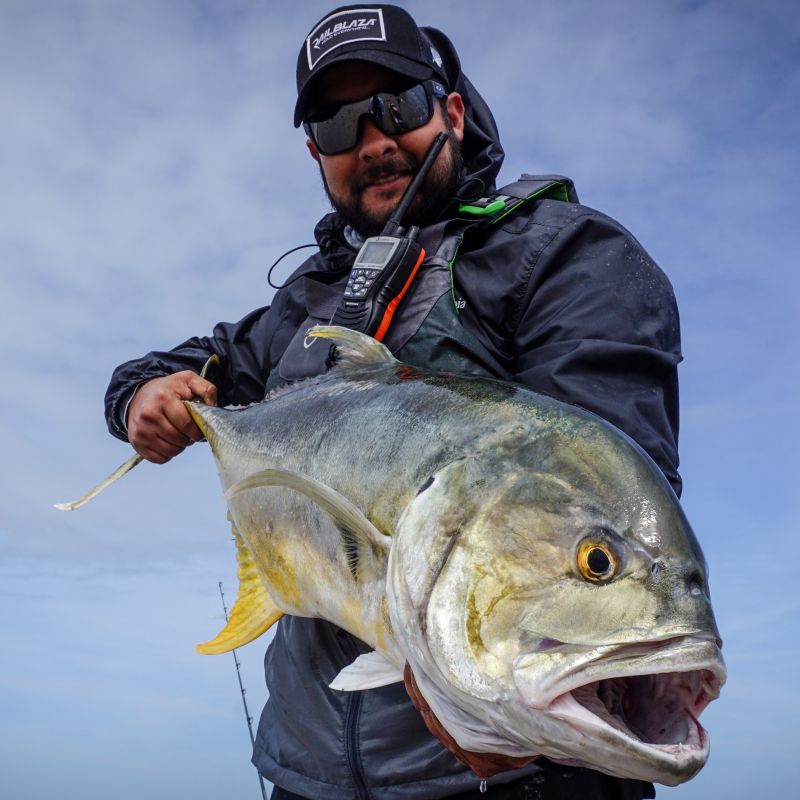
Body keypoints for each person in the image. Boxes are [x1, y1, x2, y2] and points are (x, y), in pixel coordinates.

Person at [105, 5, 681, 799]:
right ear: (317, 155)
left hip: (522, 775)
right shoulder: (300, 308)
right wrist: (144, 395)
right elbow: (180, 365)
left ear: (449, 112)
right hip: (306, 778)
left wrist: (512, 706)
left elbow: (597, 481)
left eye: (398, 107)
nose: (374, 140)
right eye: (339, 126)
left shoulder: (560, 255)